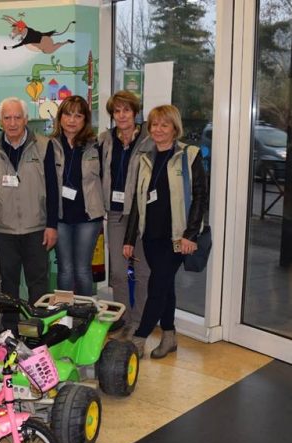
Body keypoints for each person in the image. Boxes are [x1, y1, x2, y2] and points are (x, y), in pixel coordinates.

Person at [123, 104, 207, 359]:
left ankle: (140, 337)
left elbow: (201, 196)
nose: (158, 129)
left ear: (174, 128)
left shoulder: (189, 155)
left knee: (157, 286)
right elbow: (137, 202)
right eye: (154, 124)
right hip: (151, 237)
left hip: (176, 238)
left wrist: (190, 234)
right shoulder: (145, 158)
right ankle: (169, 335)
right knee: (165, 285)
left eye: (164, 124)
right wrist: (129, 239)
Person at [0, 97, 58, 314]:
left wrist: (52, 225)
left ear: (26, 119)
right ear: (0, 121)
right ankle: (10, 332)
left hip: (36, 228)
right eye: (7, 118)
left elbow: (53, 188)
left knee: (38, 285)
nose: (12, 123)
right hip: (4, 230)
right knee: (8, 286)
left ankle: (39, 332)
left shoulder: (44, 146)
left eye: (17, 117)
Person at [97, 90, 154, 338]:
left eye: (126, 110)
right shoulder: (104, 139)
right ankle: (123, 319)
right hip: (116, 214)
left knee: (143, 273)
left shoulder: (150, 139)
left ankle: (139, 322)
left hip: (143, 215)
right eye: (117, 111)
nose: (122, 115)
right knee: (119, 272)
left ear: (135, 112)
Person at [47, 95, 104, 296]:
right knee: (65, 270)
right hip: (60, 218)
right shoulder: (49, 144)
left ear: (85, 120)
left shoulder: (97, 145)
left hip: (88, 217)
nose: (72, 120)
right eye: (68, 114)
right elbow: (17, 134)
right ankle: (64, 317)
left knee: (82, 270)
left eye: (78, 116)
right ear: (60, 117)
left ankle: (84, 315)